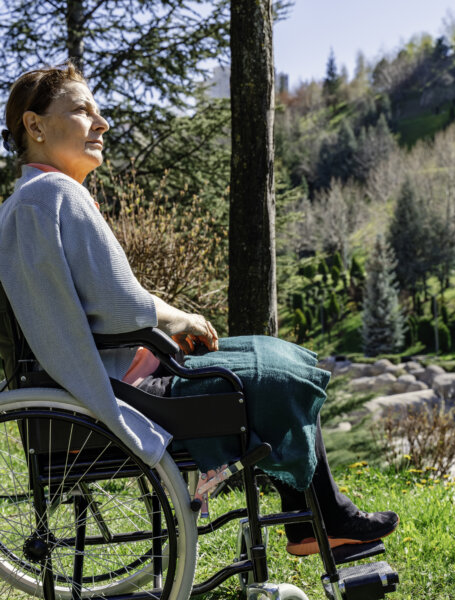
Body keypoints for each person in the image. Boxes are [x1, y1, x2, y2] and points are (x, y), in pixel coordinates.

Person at [0, 64, 398, 557]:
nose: (101, 123)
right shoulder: (53, 194)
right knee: (273, 372)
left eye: (98, 111)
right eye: (83, 111)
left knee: (277, 355)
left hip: (118, 372)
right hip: (120, 387)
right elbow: (119, 306)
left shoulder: (36, 197)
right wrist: (178, 319)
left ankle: (316, 518)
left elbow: (96, 305)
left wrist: (164, 326)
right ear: (35, 126)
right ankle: (321, 521)